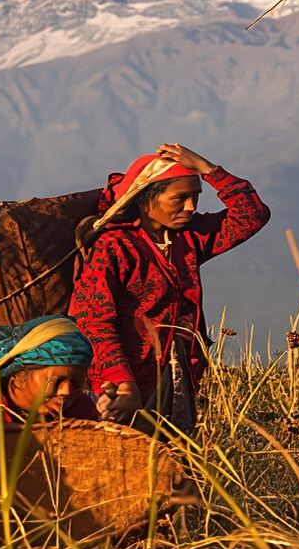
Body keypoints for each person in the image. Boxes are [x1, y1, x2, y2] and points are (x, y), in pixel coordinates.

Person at [69, 143, 269, 435]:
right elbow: (93, 319)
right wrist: (123, 382)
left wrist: (208, 169)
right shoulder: (114, 246)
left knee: (173, 466)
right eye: (180, 198)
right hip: (121, 384)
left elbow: (252, 215)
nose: (191, 207)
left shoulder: (188, 239)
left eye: (195, 197)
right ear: (145, 199)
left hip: (176, 375)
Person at [0, 315, 98, 427]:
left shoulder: (81, 408)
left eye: (76, 384)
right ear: (17, 378)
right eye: (55, 381)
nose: (66, 391)